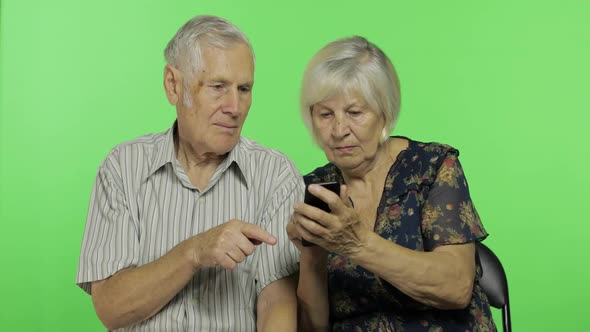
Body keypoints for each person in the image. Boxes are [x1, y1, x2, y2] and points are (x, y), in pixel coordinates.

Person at [76, 15, 303, 331]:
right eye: (218, 87)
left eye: (244, 89)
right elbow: (111, 308)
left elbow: (276, 302)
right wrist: (194, 251)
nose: (235, 107)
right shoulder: (123, 167)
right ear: (173, 85)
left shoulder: (276, 175)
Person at [287, 36, 497, 331]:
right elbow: (313, 328)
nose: (338, 130)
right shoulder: (314, 190)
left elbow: (456, 287)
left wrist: (358, 244)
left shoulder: (432, 167)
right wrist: (313, 257)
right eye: (325, 114)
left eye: (355, 113)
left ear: (385, 113)